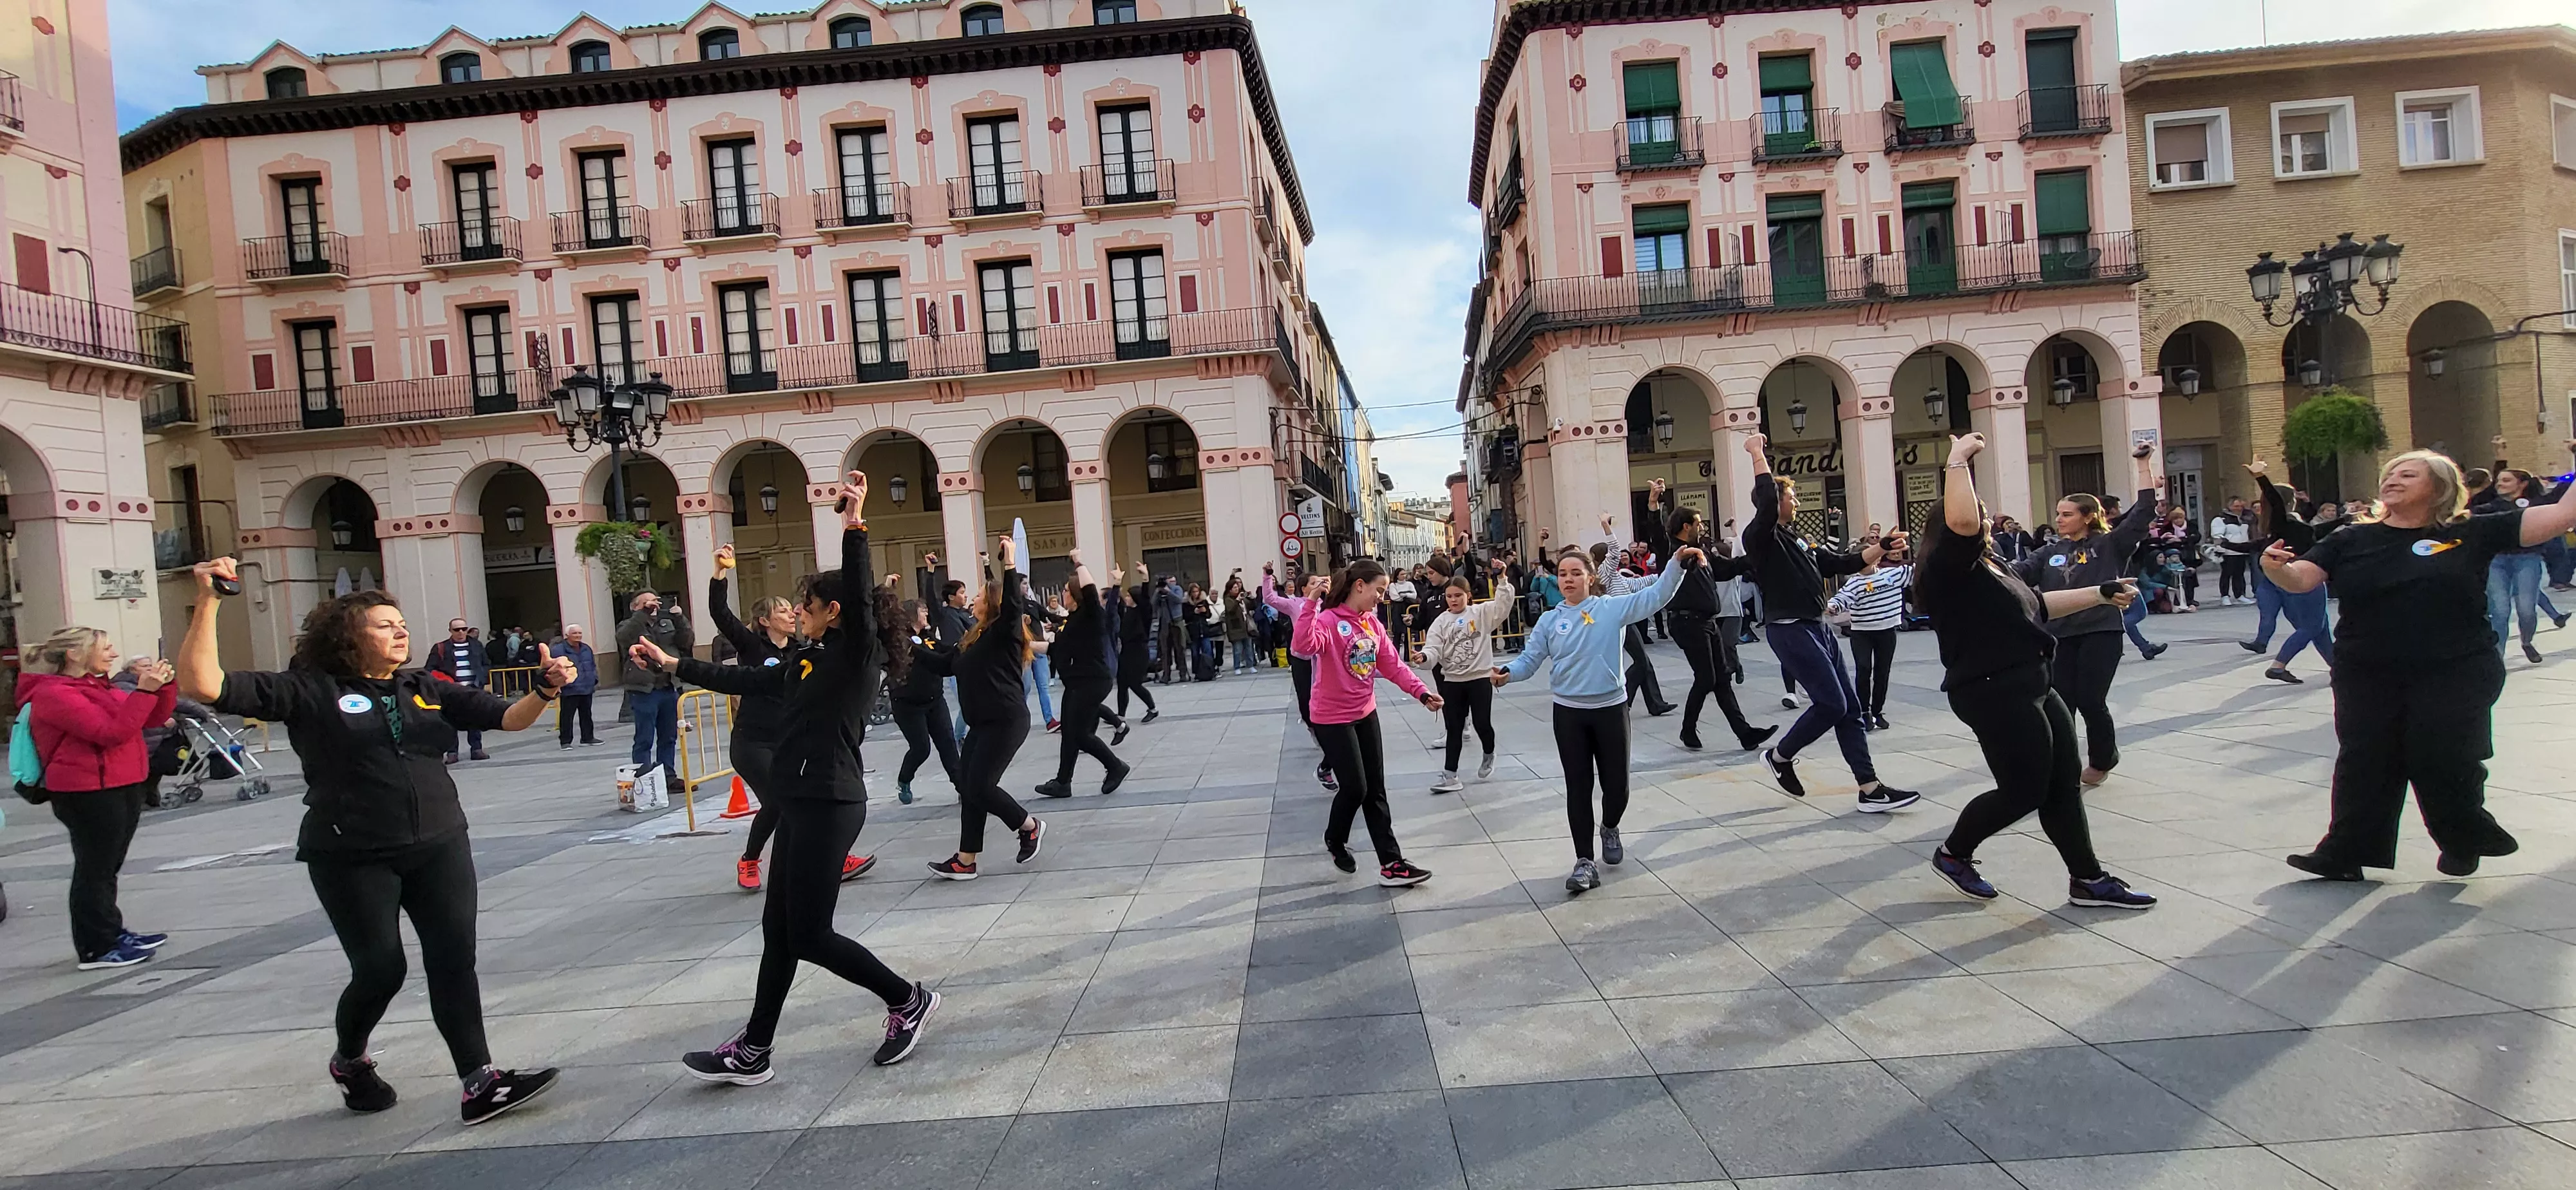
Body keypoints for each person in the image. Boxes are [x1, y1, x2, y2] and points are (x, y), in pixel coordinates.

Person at [176, 558, 570, 1122]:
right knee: (382, 970)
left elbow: (508, 718)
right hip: (351, 853)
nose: (400, 631)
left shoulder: (424, 686)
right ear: (346, 637)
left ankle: (480, 1081)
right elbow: (204, 685)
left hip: (439, 842)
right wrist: (210, 600)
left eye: (401, 622)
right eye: (384, 625)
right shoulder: (308, 690)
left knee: (454, 959)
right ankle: (351, 1060)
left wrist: (546, 689)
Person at [632, 473, 942, 1080]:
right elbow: (747, 680)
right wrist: (675, 664)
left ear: (834, 612)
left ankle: (907, 999)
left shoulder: (858, 655)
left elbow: (858, 597)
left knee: (809, 933)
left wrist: (854, 526)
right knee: (779, 930)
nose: (799, 610)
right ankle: (755, 1049)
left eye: (808, 603)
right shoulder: (806, 658)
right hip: (800, 799)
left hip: (830, 799)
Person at [2267, 444, 2576, 880]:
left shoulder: (2474, 531)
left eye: (2408, 475)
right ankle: (2345, 852)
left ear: (2440, 487)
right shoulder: (2350, 538)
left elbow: (2562, 516)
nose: (2393, 480)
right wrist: (2276, 569)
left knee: (2442, 753)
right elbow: (2300, 579)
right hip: (2367, 667)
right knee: (2365, 757)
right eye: (2390, 474)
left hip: (2456, 665)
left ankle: (2464, 836)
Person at [1913, 435, 2159, 911]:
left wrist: (2100, 594)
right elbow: (1962, 520)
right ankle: (1954, 853)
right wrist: (1957, 461)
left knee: (2063, 785)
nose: (1986, 517)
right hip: (1991, 689)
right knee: (2024, 790)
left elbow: (2038, 605)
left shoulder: (1993, 565)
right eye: (1979, 511)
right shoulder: (1950, 567)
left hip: (2034, 681)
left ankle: (2087, 880)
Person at [1499, 540, 1694, 892]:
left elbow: (1655, 597)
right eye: (1562, 574)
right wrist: (1507, 673)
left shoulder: (1611, 609)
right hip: (1569, 713)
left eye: (1576, 573)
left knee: (1617, 786)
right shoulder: (1549, 621)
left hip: (1610, 710)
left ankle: (1610, 826)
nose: (1568, 580)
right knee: (1578, 787)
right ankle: (1584, 862)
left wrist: (1676, 565)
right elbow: (1529, 662)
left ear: (1591, 578)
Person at [1738, 433, 1918, 811]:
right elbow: (1767, 499)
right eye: (1792, 497)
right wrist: (1757, 453)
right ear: (1774, 503)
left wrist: (1882, 547)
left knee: (1850, 708)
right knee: (1832, 704)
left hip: (1817, 627)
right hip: (1789, 628)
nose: (1797, 502)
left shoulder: (1799, 539)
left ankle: (1870, 789)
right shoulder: (1759, 536)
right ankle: (1780, 756)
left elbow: (1843, 563)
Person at [711, 545, 872, 891]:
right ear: (765, 621)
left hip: (784, 740)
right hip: (753, 741)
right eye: (782, 610)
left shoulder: (800, 651)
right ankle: (750, 860)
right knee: (779, 799)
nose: (792, 613)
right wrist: (719, 576)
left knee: (796, 801)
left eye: (793, 608)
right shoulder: (753, 646)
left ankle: (831, 853)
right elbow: (722, 616)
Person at [18, 628, 175, 970]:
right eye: (104, 648)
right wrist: (144, 692)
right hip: (87, 791)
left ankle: (113, 933)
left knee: (108, 868)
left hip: (122, 784)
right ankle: (96, 947)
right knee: (95, 869)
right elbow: (110, 733)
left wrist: (161, 689)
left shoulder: (99, 688)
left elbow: (150, 719)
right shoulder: (54, 694)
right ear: (75, 654)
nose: (113, 654)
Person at [2014, 448, 2162, 784]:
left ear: (2088, 516)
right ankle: (2059, 762)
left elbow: (2142, 514)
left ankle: (2102, 760)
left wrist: (2142, 466)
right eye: (2058, 513)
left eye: (2067, 514)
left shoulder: (2110, 545)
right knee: (2062, 704)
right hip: (2059, 637)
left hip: (2101, 632)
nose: (2060, 519)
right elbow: (2017, 574)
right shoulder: (2049, 552)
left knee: (2092, 700)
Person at [1296, 560, 1438, 887]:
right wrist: (1310, 603)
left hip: (1365, 713)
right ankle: (1335, 838)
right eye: (1379, 590)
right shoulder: (1329, 621)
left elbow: (1392, 665)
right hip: (1332, 718)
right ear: (1359, 586)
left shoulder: (1372, 624)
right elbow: (1302, 647)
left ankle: (1392, 864)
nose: (1381, 597)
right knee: (1356, 787)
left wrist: (1421, 692)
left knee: (1375, 790)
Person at [928, 536, 1047, 880]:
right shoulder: (973, 637)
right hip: (982, 724)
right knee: (970, 788)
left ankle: (1029, 826)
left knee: (980, 787)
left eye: (978, 595)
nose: (973, 599)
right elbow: (943, 665)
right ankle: (966, 861)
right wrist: (906, 645)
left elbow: (1012, 605)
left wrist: (1009, 565)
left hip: (1005, 721)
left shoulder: (1003, 632)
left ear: (990, 604)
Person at [1638, 480, 1772, 750]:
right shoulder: (1671, 551)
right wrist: (1654, 502)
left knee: (1721, 678)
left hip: (1708, 623)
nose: (1701, 527)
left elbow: (1728, 569)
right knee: (1707, 678)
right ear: (1686, 526)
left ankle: (1745, 734)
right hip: (1686, 622)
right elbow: (1655, 530)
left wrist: (1757, 555)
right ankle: (1688, 730)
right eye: (1698, 523)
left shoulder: (1705, 553)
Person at [1036, 551, 1130, 800]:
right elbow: (1056, 648)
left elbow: (1090, 588)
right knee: (1070, 731)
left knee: (1080, 734)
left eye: (1067, 590)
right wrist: (1027, 646)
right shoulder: (1073, 620)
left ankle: (1115, 767)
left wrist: (1078, 562)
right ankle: (1062, 783)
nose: (1064, 594)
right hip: (1078, 683)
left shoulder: (1091, 615)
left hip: (1091, 682)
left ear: (1076, 595)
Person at [2235, 462, 2336, 683]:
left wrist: (2346, 520)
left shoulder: (2276, 523)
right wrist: (2261, 476)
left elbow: (2314, 532)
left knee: (2319, 628)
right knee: (2312, 626)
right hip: (2303, 573)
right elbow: (2276, 501)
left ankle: (2339, 668)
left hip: (2287, 575)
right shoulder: (2285, 520)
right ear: (2291, 500)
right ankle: (2279, 665)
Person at [1417, 567, 1515, 792]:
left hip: (1479, 678)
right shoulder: (1441, 622)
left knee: (1482, 723)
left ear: (1468, 596)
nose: (1453, 600)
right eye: (1450, 596)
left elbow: (1503, 606)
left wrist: (1502, 579)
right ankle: (1450, 774)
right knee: (1454, 727)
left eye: (1458, 595)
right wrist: (1424, 657)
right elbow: (1433, 648)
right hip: (1452, 681)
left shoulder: (1481, 613)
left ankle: (1489, 752)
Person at [2474, 462, 2567, 662]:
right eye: (2498, 481)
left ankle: (2527, 642)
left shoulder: (2537, 503)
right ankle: (2498, 657)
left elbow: (2563, 496)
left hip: (2528, 560)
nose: (2500, 485)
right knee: (2499, 610)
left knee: (2526, 610)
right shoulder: (2490, 506)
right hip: (2497, 561)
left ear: (2522, 484)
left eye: (2507, 481)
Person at [1261, 565, 1340, 793]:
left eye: (1320, 582)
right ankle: (1314, 728)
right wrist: (1268, 576)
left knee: (1325, 698)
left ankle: (1327, 739)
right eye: (1314, 583)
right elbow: (1270, 598)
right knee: (1306, 704)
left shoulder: (1328, 605)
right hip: (1301, 659)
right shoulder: (1295, 603)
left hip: (1322, 656)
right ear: (1304, 588)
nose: (1319, 586)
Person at [1825, 540, 1911, 730]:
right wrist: (1833, 607)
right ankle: (1864, 711)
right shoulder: (1854, 582)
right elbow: (1843, 597)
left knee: (1883, 672)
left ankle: (1878, 711)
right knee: (1864, 669)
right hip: (1862, 632)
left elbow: (1918, 571)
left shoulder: (1892, 574)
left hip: (1887, 630)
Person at [887, 600, 963, 804]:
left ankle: (963, 788)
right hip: (908, 704)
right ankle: (904, 779)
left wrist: (962, 647)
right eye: (923, 611)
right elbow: (933, 659)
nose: (927, 614)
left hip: (935, 700)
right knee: (921, 748)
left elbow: (944, 650)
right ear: (912, 615)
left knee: (948, 744)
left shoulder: (927, 637)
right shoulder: (902, 641)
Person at [615, 590, 692, 779]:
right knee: (644, 737)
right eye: (647, 602)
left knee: (669, 737)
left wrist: (680, 617)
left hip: (668, 686)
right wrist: (642, 614)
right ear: (635, 607)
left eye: (655, 602)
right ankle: (645, 778)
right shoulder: (630, 625)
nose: (654, 606)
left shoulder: (666, 622)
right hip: (644, 689)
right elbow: (624, 638)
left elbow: (686, 641)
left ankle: (668, 776)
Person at [424, 619, 491, 762]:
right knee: (450, 721)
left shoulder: (476, 645)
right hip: (451, 690)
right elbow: (429, 669)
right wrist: (443, 683)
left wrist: (481, 679)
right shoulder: (441, 648)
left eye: (464, 629)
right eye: (457, 630)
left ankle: (476, 749)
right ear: (450, 631)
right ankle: (452, 752)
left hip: (472, 688)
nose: (461, 632)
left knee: (474, 719)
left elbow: (486, 664)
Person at [1112, 578, 1159, 725]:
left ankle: (1153, 709)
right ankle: (1121, 716)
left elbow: (1145, 600)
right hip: (1126, 652)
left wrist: (1145, 580)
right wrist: (1116, 584)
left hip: (1139, 652)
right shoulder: (1127, 612)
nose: (1126, 598)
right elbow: (1115, 606)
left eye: (1128, 596)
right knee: (1122, 684)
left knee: (1135, 683)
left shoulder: (1143, 613)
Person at [553, 625, 601, 747]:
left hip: (586, 687)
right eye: (574, 633)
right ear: (567, 635)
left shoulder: (586, 649)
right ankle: (565, 741)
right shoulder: (559, 650)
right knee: (567, 716)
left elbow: (592, 665)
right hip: (569, 688)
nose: (578, 635)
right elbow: (556, 668)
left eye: (580, 633)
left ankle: (588, 738)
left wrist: (594, 679)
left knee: (586, 714)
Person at [2148, 507, 2201, 610]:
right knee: (2176, 578)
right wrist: (2168, 540)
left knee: (2190, 576)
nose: (2178, 521)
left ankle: (2190, 599)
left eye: (2180, 518)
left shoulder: (2192, 525)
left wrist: (2181, 539)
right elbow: (2163, 539)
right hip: (2173, 554)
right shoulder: (2167, 527)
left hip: (2188, 554)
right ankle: (2177, 599)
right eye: (2175, 519)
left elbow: (2196, 537)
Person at [2208, 498, 2255, 605]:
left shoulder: (2245, 518)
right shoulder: (2221, 519)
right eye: (2236, 506)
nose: (2239, 509)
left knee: (2239, 574)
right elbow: (2217, 535)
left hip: (2242, 550)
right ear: (2229, 506)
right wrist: (2221, 548)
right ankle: (2225, 596)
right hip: (2228, 551)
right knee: (2226, 574)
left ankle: (2240, 595)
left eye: (2240, 506)